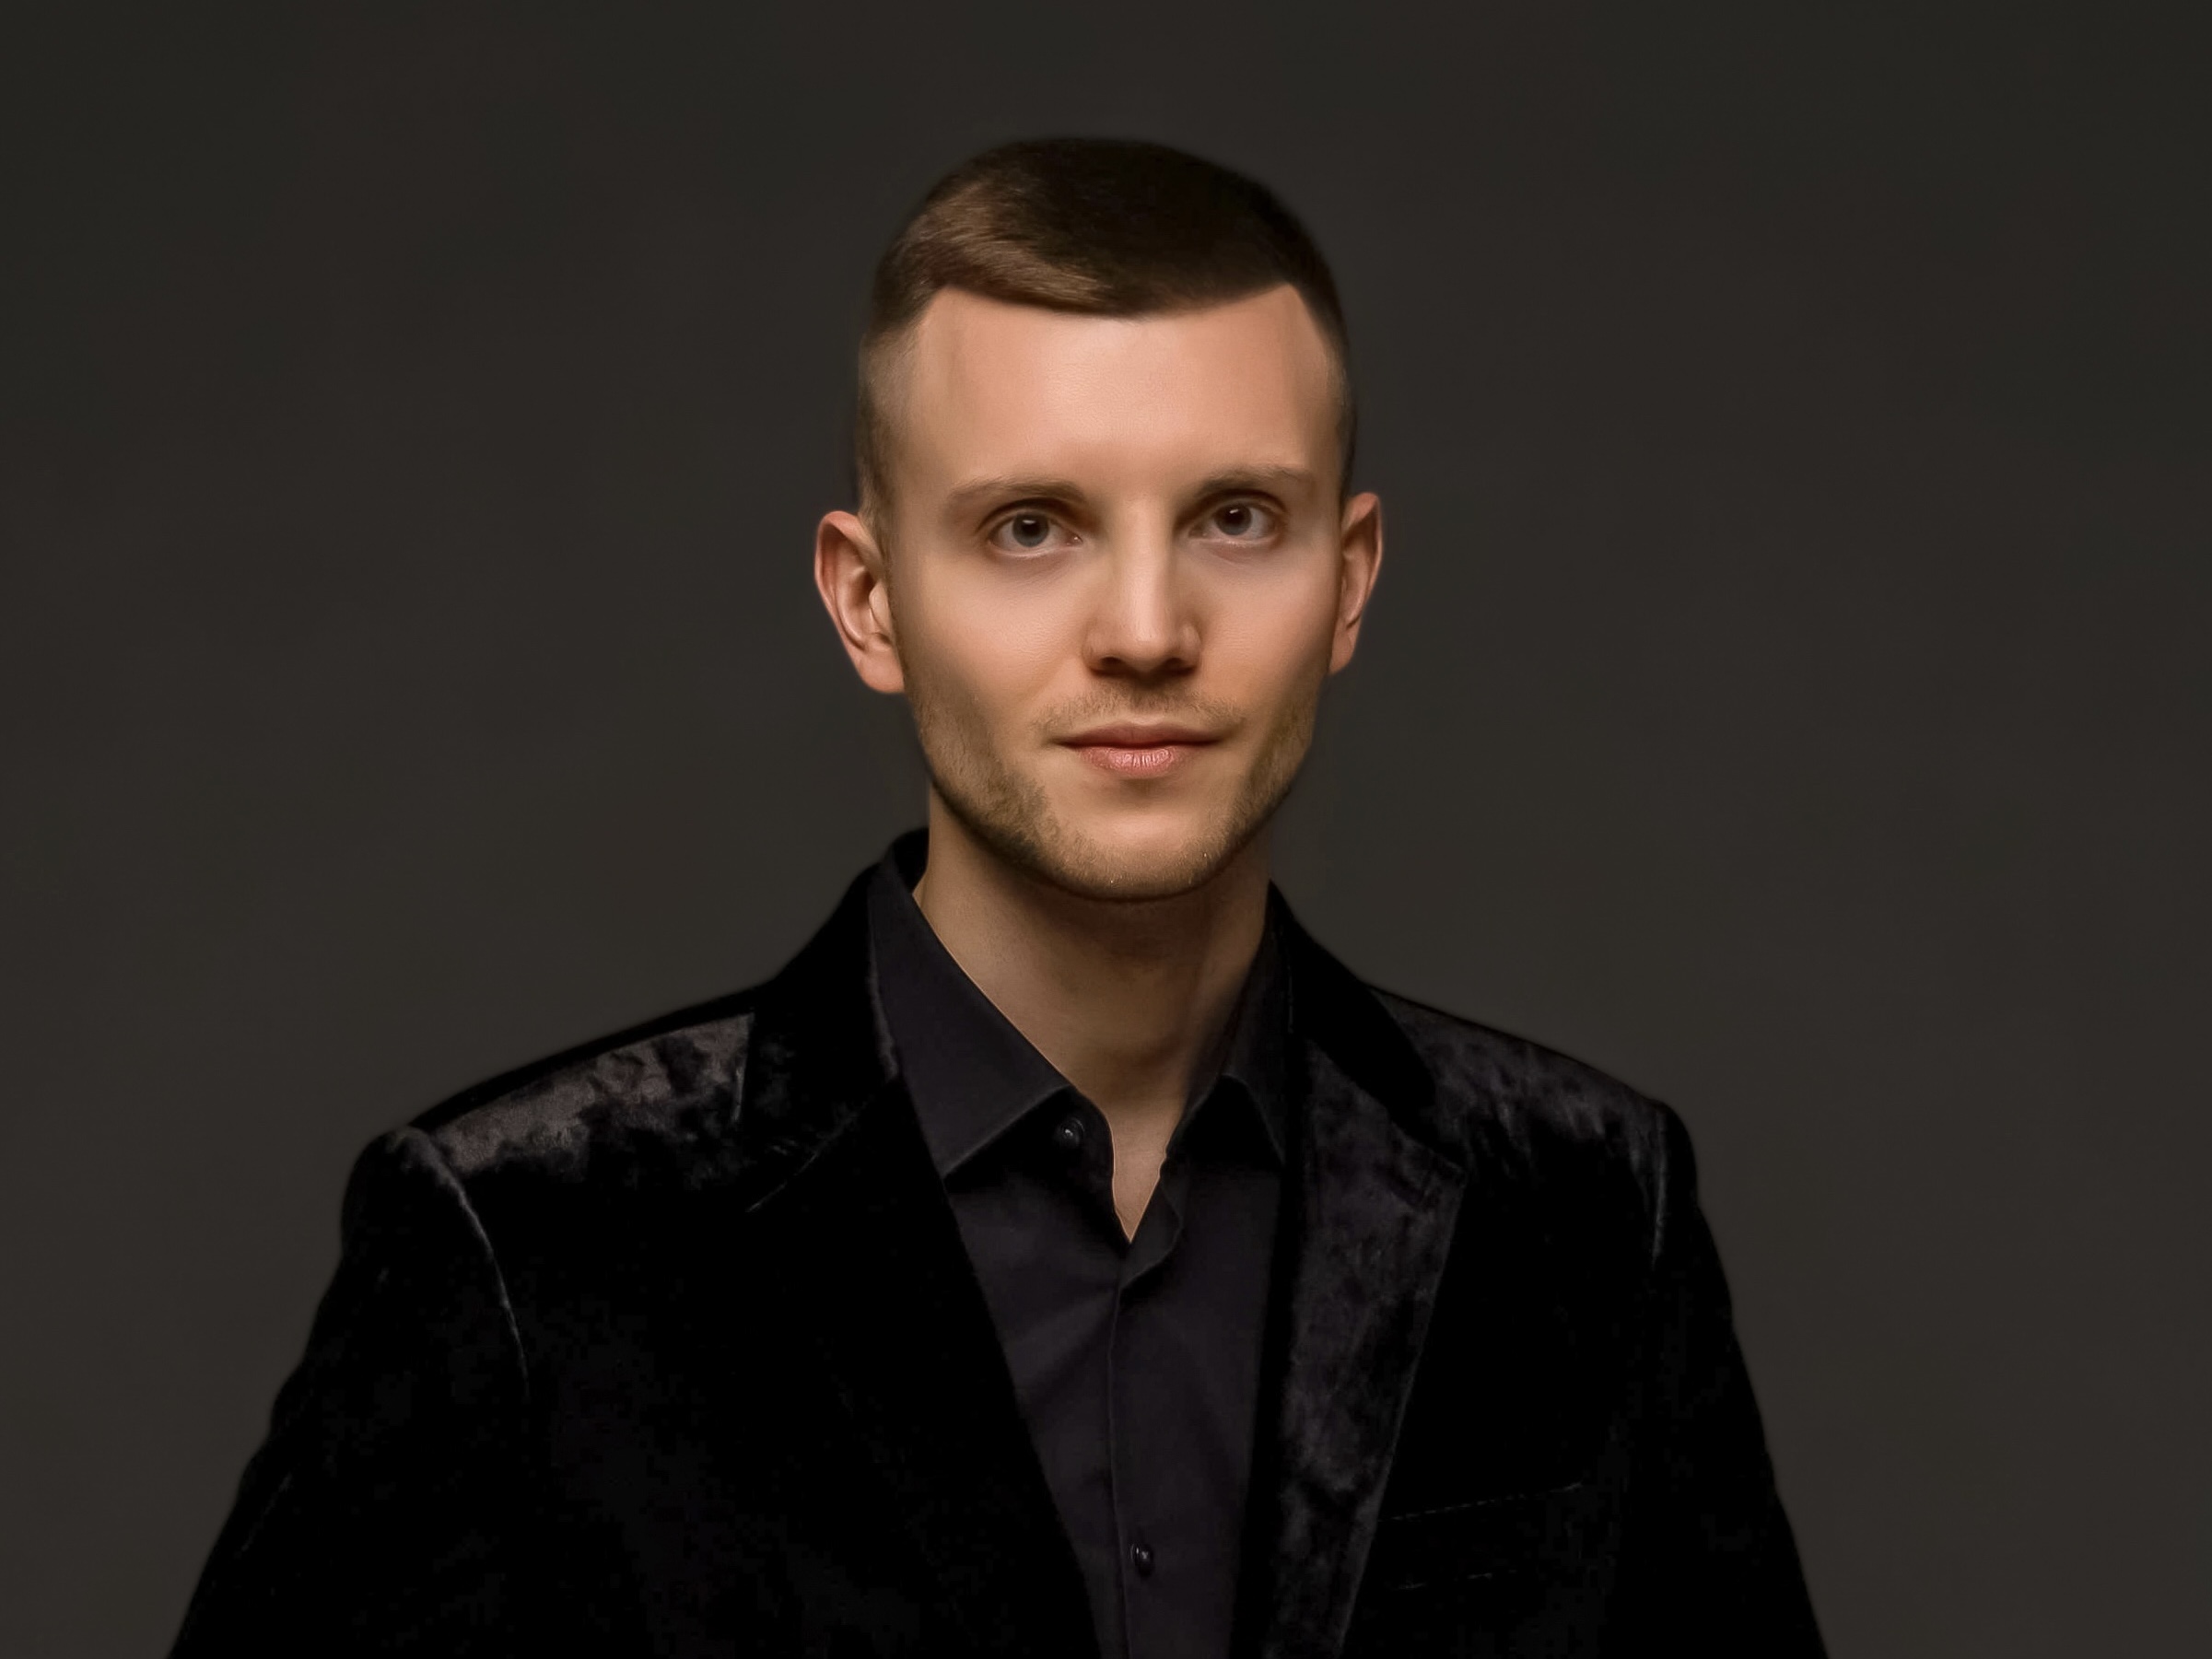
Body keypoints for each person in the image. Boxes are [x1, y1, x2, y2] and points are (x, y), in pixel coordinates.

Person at [174, 137, 1823, 1659]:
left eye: (1235, 518)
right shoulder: (530, 1246)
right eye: (1032, 527)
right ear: (868, 600)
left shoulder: (1586, 1214)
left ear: (1347, 580)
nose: (1145, 629)